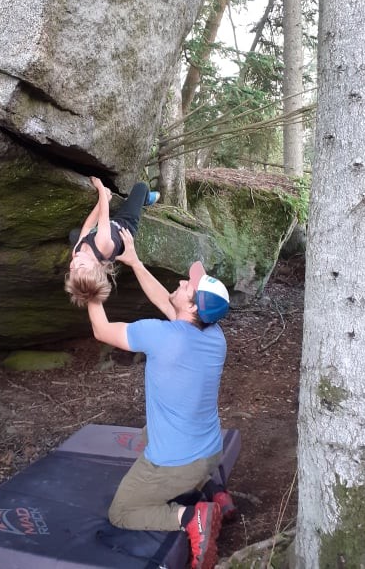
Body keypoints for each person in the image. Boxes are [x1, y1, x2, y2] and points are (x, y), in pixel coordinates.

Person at [86, 228, 233, 569]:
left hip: (176, 463)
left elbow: (101, 330)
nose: (182, 282)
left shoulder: (160, 336)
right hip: (210, 451)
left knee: (121, 511)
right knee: (148, 431)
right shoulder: (214, 335)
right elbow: (166, 302)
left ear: (192, 307)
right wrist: (134, 261)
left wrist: (89, 281)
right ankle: (214, 491)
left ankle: (192, 517)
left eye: (188, 286)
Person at [64, 177, 159, 308]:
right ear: (96, 266)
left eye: (72, 269)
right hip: (125, 223)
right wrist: (101, 189)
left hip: (107, 227)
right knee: (141, 187)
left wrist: (102, 201)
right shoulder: (102, 244)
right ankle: (147, 199)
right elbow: (103, 214)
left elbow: (89, 226)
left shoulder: (77, 253)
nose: (74, 262)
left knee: (74, 235)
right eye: (80, 265)